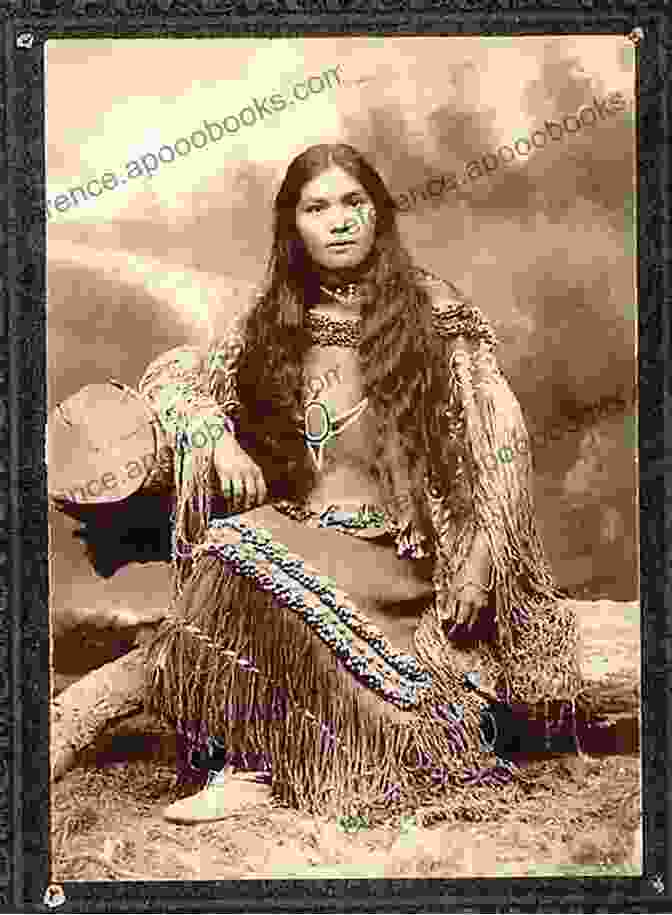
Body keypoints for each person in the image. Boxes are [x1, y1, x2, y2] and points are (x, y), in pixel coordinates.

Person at [138, 143, 583, 825]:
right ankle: (250, 766)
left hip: (400, 558)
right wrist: (215, 437)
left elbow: (501, 441)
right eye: (318, 208)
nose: (339, 221)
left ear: (379, 213)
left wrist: (482, 562)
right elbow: (177, 377)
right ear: (294, 225)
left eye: (354, 202)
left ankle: (296, 762)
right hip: (305, 535)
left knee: (239, 549)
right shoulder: (274, 313)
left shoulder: (435, 310)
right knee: (230, 551)